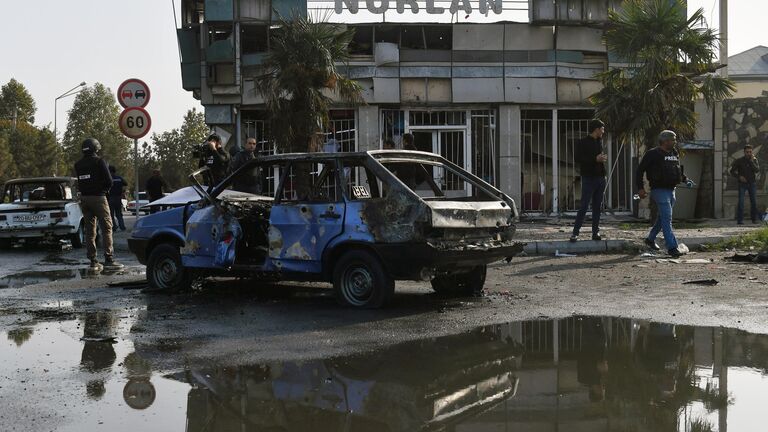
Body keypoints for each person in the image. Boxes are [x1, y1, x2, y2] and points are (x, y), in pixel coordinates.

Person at [636, 130, 688, 257]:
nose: (675, 142)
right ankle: (672, 248)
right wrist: (640, 188)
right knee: (667, 218)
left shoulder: (674, 153)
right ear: (665, 141)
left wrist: (685, 179)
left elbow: (677, 169)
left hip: (671, 190)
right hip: (659, 190)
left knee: (662, 218)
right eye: (673, 139)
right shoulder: (652, 154)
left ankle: (650, 239)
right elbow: (639, 171)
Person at [74, 138, 123, 270]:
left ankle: (93, 260)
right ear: (96, 148)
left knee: (90, 230)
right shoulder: (99, 161)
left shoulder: (78, 164)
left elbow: (81, 181)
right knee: (107, 227)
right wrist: (103, 191)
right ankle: (109, 258)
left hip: (84, 199)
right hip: (98, 198)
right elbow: (109, 181)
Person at [571, 119, 607, 242]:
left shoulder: (600, 141)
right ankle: (575, 233)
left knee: (597, 206)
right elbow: (578, 158)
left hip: (600, 177)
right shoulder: (582, 142)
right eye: (602, 129)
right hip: (588, 177)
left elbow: (598, 158)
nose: (603, 131)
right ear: (596, 129)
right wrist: (595, 159)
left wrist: (601, 159)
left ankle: (595, 232)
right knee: (584, 206)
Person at [730, 144, 760, 224]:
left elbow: (757, 170)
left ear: (752, 152)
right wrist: (739, 177)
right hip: (742, 184)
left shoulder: (754, 160)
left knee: (753, 202)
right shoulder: (739, 161)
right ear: (744, 152)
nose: (749, 153)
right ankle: (740, 220)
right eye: (747, 152)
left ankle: (754, 219)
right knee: (741, 202)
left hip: (752, 183)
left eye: (750, 152)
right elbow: (732, 171)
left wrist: (751, 161)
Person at [107, 165, 126, 231]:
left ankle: (114, 227)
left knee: (111, 214)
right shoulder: (119, 178)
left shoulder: (108, 178)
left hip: (111, 198)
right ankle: (122, 227)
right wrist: (123, 192)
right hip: (118, 198)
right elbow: (125, 184)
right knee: (119, 214)